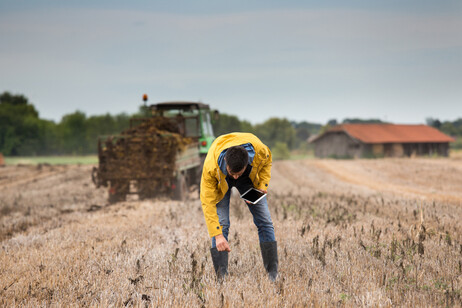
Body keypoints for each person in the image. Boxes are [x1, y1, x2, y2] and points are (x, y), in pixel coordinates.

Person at [200, 132, 278, 281]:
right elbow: (207, 203)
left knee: (265, 221)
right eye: (232, 173)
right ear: (226, 162)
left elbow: (268, 160)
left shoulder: (259, 151)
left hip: (247, 180)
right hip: (221, 181)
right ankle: (221, 276)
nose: (235, 177)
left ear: (247, 163)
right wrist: (217, 235)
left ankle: (272, 274)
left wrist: (261, 186)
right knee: (222, 224)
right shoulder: (211, 167)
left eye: (238, 173)